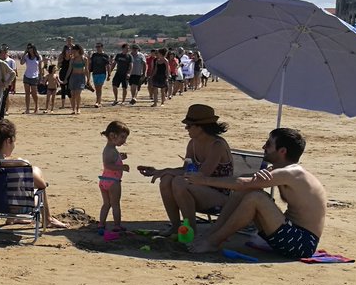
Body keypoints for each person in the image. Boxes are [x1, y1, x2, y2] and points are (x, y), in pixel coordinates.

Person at [186, 128, 325, 257]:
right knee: (248, 191)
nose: (264, 147)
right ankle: (211, 234)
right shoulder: (280, 170)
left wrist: (204, 180)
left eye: (268, 144)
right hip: (288, 233)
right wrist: (256, 178)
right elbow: (245, 183)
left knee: (255, 197)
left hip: (302, 243)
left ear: (282, 151)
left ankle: (213, 241)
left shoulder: (292, 173)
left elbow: (242, 182)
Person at [135, 104, 234, 237]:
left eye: (189, 125)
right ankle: (176, 227)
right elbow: (185, 169)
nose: (186, 128)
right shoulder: (193, 143)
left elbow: (201, 176)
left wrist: (166, 170)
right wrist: (159, 171)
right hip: (198, 191)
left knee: (178, 182)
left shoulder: (217, 145)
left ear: (201, 127)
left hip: (219, 196)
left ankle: (190, 231)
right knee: (166, 179)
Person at [0, 120, 67, 229]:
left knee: (5, 184)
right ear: (8, 141)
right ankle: (47, 219)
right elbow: (42, 185)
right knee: (35, 172)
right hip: (14, 207)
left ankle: (13, 218)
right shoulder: (18, 164)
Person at [97, 121, 130, 238]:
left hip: (104, 180)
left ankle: (101, 224)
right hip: (113, 181)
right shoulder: (110, 150)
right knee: (115, 204)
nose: (124, 141)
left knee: (106, 204)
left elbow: (112, 159)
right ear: (112, 135)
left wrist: (120, 157)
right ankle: (117, 225)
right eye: (122, 137)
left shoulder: (110, 149)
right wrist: (122, 167)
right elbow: (108, 165)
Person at [19, 45, 43, 114]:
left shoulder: (38, 57)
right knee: (27, 93)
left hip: (34, 77)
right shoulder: (26, 56)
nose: (30, 49)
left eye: (31, 48)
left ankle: (36, 107)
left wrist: (40, 77)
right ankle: (27, 109)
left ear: (33, 48)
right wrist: (24, 53)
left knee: (34, 93)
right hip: (27, 76)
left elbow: (40, 68)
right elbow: (21, 63)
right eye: (28, 48)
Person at [66, 44, 88, 115]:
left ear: (78, 51)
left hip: (81, 77)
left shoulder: (84, 59)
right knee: (72, 94)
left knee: (78, 93)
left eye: (74, 51)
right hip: (73, 77)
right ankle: (73, 109)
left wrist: (88, 79)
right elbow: (69, 69)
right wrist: (66, 78)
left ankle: (78, 108)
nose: (73, 52)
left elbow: (86, 70)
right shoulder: (72, 59)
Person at [88, 43, 110, 107]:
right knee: (97, 88)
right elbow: (90, 63)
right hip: (95, 73)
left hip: (102, 73)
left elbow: (108, 65)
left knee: (99, 88)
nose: (97, 48)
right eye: (96, 47)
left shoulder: (105, 55)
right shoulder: (94, 55)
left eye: (99, 47)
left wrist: (109, 74)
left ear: (102, 47)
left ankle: (97, 102)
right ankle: (99, 101)